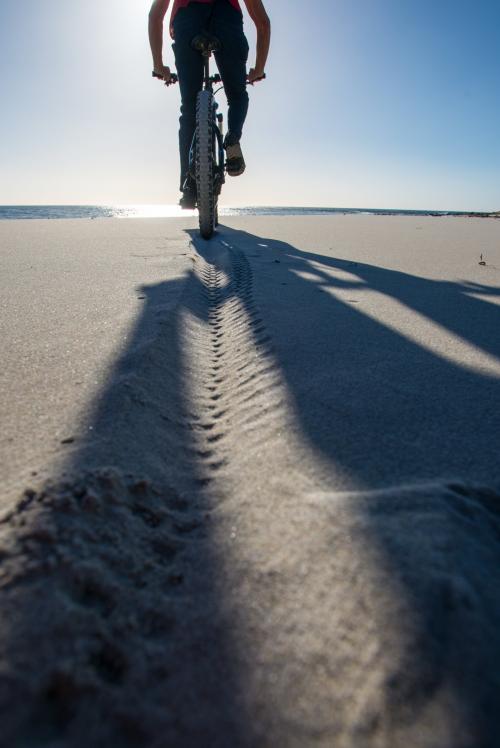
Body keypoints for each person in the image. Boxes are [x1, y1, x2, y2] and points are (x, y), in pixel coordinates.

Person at [149, 0, 270, 208]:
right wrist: (258, 68)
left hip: (187, 19)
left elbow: (155, 15)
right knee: (237, 95)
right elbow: (263, 23)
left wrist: (159, 65)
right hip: (227, 17)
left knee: (189, 109)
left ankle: (189, 183)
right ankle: (232, 137)